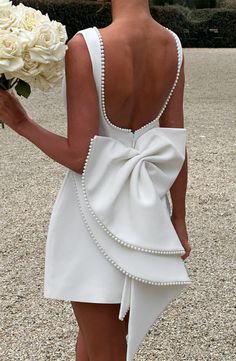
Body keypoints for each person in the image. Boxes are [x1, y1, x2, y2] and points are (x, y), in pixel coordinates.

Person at [0, 0, 192, 360]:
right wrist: (178, 219)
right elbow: (175, 146)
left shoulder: (86, 45)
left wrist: (22, 124)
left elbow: (79, 155)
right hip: (146, 213)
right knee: (94, 342)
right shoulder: (174, 46)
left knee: (105, 350)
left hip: (93, 212)